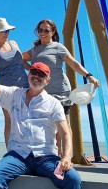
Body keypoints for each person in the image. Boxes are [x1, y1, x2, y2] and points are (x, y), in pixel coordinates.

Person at [0, 52, 82, 189]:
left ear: (47, 80)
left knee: (72, 178)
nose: (37, 76)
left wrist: (66, 157)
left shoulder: (54, 104)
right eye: (34, 72)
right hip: (17, 156)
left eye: (41, 74)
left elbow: (65, 133)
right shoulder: (15, 94)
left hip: (46, 157)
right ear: (28, 74)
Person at [22, 19, 99, 154]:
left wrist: (89, 75)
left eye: (46, 30)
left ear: (53, 32)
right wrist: (30, 70)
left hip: (60, 92)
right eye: (40, 30)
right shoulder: (34, 50)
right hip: (42, 95)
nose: (43, 33)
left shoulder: (58, 47)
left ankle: (65, 158)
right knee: (48, 127)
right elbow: (19, 58)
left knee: (63, 126)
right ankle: (53, 156)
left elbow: (73, 64)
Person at [0, 18, 28, 147]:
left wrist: (35, 71)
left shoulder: (14, 43)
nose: (6, 33)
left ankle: (26, 151)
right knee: (9, 121)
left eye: (7, 31)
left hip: (25, 86)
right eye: (3, 31)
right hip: (5, 89)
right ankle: (10, 152)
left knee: (26, 119)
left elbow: (22, 62)